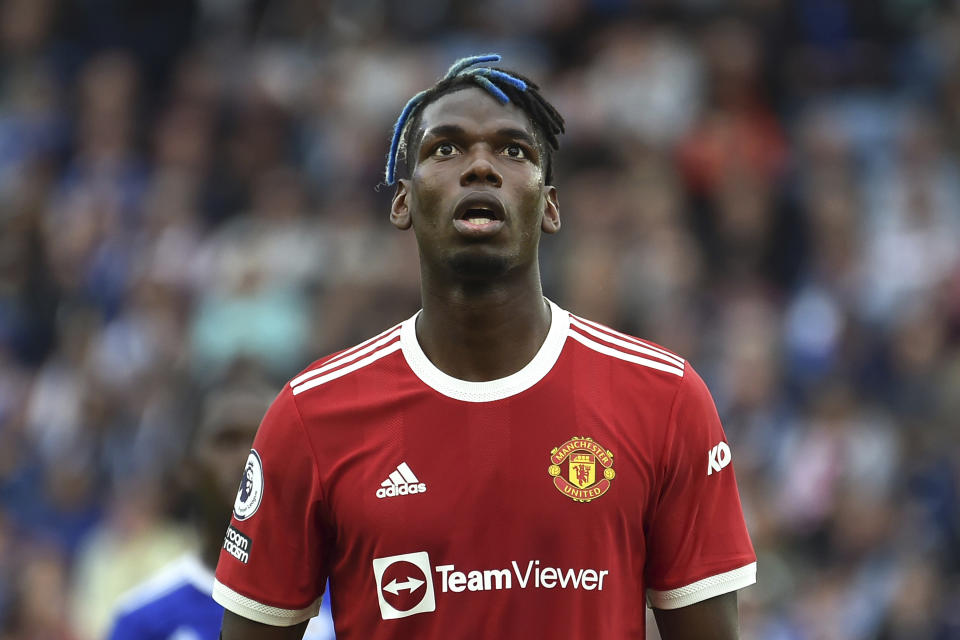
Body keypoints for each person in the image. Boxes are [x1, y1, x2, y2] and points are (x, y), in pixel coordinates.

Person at [214, 54, 756, 639]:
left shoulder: (665, 398)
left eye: (513, 150)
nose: (480, 167)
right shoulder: (311, 416)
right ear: (402, 202)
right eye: (445, 149)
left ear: (549, 206)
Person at [106, 383, 336, 640]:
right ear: (188, 468)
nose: (248, 457)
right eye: (227, 441)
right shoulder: (141, 620)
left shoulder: (342, 598)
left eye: (264, 438)